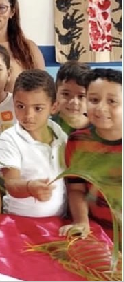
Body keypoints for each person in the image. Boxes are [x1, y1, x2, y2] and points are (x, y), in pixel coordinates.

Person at [59, 69, 122, 237]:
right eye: (94, 100)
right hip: (99, 236)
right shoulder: (77, 141)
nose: (101, 108)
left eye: (112, 101)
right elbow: (76, 189)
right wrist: (81, 222)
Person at [0, 70, 68, 218]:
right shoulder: (9, 138)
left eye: (38, 108)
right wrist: (29, 188)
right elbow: (11, 184)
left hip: (58, 220)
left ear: (54, 107)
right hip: (19, 221)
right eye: (21, 106)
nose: (28, 115)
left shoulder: (60, 134)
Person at [52, 61, 91, 135]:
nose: (74, 102)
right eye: (66, 94)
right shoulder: (47, 124)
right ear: (55, 93)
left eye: (81, 96)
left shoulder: (99, 127)